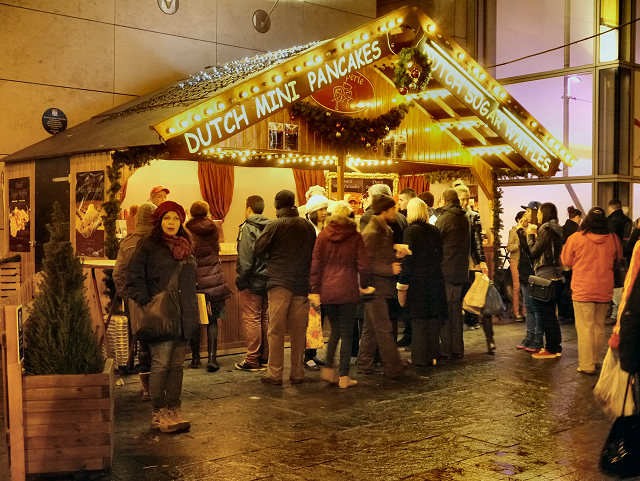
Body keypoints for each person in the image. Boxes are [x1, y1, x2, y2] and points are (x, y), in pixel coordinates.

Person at [126, 200, 198, 433]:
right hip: (160, 314)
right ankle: (159, 412)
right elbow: (133, 276)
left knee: (177, 365)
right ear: (159, 220)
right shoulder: (148, 245)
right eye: (167, 218)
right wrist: (146, 300)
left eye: (176, 218)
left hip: (183, 314)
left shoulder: (186, 245)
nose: (171, 223)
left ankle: (174, 408)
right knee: (160, 364)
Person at [254, 190, 316, 385]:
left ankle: (274, 373)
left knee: (276, 330)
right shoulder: (306, 225)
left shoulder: (275, 225)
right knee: (299, 331)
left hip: (279, 281)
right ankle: (297, 373)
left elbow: (258, 248)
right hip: (302, 283)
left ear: (277, 207)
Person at [309, 201, 372, 388]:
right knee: (347, 333)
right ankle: (344, 376)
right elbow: (364, 266)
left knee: (335, 330)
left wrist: (314, 290)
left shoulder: (322, 236)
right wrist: (366, 284)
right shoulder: (355, 237)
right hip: (348, 290)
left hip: (327, 290)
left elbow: (315, 266)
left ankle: (328, 369)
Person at [561, 207, 620, 374]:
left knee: (585, 328)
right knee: (599, 326)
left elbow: (566, 260)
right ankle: (596, 359)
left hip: (582, 289)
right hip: (604, 288)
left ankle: (587, 365)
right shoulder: (613, 238)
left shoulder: (576, 238)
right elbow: (617, 258)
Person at [357, 194, 410, 378]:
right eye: (393, 208)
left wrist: (397, 255)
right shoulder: (372, 232)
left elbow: (378, 257)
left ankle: (365, 363)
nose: (396, 210)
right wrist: (390, 268)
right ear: (385, 210)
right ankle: (393, 367)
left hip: (380, 286)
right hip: (375, 287)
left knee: (372, 328)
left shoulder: (383, 229)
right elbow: (365, 262)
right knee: (383, 328)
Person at [113, 202, 156, 400]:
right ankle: (158, 386)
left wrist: (128, 297)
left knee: (142, 343)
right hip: (161, 300)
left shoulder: (127, 243)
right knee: (161, 345)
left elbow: (118, 274)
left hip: (136, 302)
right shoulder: (160, 241)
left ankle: (147, 388)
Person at [397, 198, 447, 367]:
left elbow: (408, 259)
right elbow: (441, 254)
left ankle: (419, 357)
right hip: (435, 278)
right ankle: (433, 355)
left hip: (418, 280)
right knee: (433, 319)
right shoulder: (435, 230)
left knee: (418, 320)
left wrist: (402, 284)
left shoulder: (410, 231)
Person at [185, 201, 231, 373]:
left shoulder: (187, 230)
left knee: (195, 320)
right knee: (212, 321)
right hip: (214, 280)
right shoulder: (214, 228)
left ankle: (196, 358)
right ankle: (212, 359)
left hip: (195, 280)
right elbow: (217, 249)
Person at [523, 202, 564, 359]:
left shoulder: (545, 229)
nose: (538, 215)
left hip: (545, 276)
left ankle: (551, 349)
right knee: (551, 314)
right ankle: (555, 346)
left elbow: (534, 252)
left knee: (545, 313)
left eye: (539, 212)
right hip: (557, 275)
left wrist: (530, 235)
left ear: (545, 213)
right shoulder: (557, 228)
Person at [235, 195, 270, 372]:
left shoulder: (247, 228)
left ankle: (252, 359)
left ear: (248, 208)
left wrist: (240, 280)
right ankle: (265, 358)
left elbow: (246, 259)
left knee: (253, 319)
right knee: (264, 318)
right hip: (269, 280)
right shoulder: (272, 226)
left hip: (253, 280)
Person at [435, 189, 470, 359]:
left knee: (446, 309)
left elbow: (435, 239)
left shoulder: (446, 217)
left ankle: (446, 349)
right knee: (456, 309)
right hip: (461, 269)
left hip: (447, 269)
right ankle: (458, 348)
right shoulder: (464, 216)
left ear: (444, 200)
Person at [454, 184, 489, 337]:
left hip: (469, 259)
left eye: (467, 199)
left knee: (471, 289)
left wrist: (481, 260)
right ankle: (462, 319)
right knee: (459, 289)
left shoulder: (473, 216)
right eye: (462, 199)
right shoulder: (452, 215)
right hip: (456, 259)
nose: (465, 202)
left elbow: (477, 241)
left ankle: (471, 319)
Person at [303, 194, 329, 370]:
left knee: (317, 319)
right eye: (321, 209)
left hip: (322, 280)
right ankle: (306, 357)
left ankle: (312, 354)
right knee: (311, 320)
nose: (324, 213)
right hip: (312, 281)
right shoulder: (309, 231)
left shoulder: (320, 230)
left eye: (326, 209)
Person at [515, 207, 539, 350]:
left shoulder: (536, 230)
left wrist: (520, 231)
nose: (525, 215)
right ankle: (529, 336)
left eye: (528, 212)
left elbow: (530, 250)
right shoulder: (526, 229)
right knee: (529, 307)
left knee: (535, 308)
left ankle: (536, 338)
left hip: (533, 273)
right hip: (524, 272)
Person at [608, 199, 633, 323]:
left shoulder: (610, 221)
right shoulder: (628, 221)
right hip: (626, 257)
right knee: (622, 284)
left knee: (615, 286)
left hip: (613, 257)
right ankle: (621, 310)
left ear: (610, 208)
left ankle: (615, 313)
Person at [558, 206, 582, 324]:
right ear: (577, 217)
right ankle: (571, 313)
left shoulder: (563, 228)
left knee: (565, 287)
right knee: (571, 288)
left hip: (562, 262)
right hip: (573, 263)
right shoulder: (576, 231)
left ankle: (563, 313)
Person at [507, 211, 525, 321]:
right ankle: (516, 312)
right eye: (522, 219)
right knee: (517, 286)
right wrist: (518, 245)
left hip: (525, 262)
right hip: (515, 260)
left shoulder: (528, 231)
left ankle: (525, 312)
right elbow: (509, 247)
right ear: (518, 220)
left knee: (525, 286)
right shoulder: (513, 232)